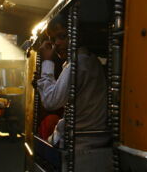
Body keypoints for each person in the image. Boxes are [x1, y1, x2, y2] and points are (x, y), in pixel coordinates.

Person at [36, 13, 109, 150]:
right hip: (89, 139)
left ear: (77, 36)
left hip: (78, 142)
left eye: (63, 36)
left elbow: (50, 102)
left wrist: (47, 62)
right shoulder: (89, 60)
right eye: (53, 39)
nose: (56, 43)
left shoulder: (78, 64)